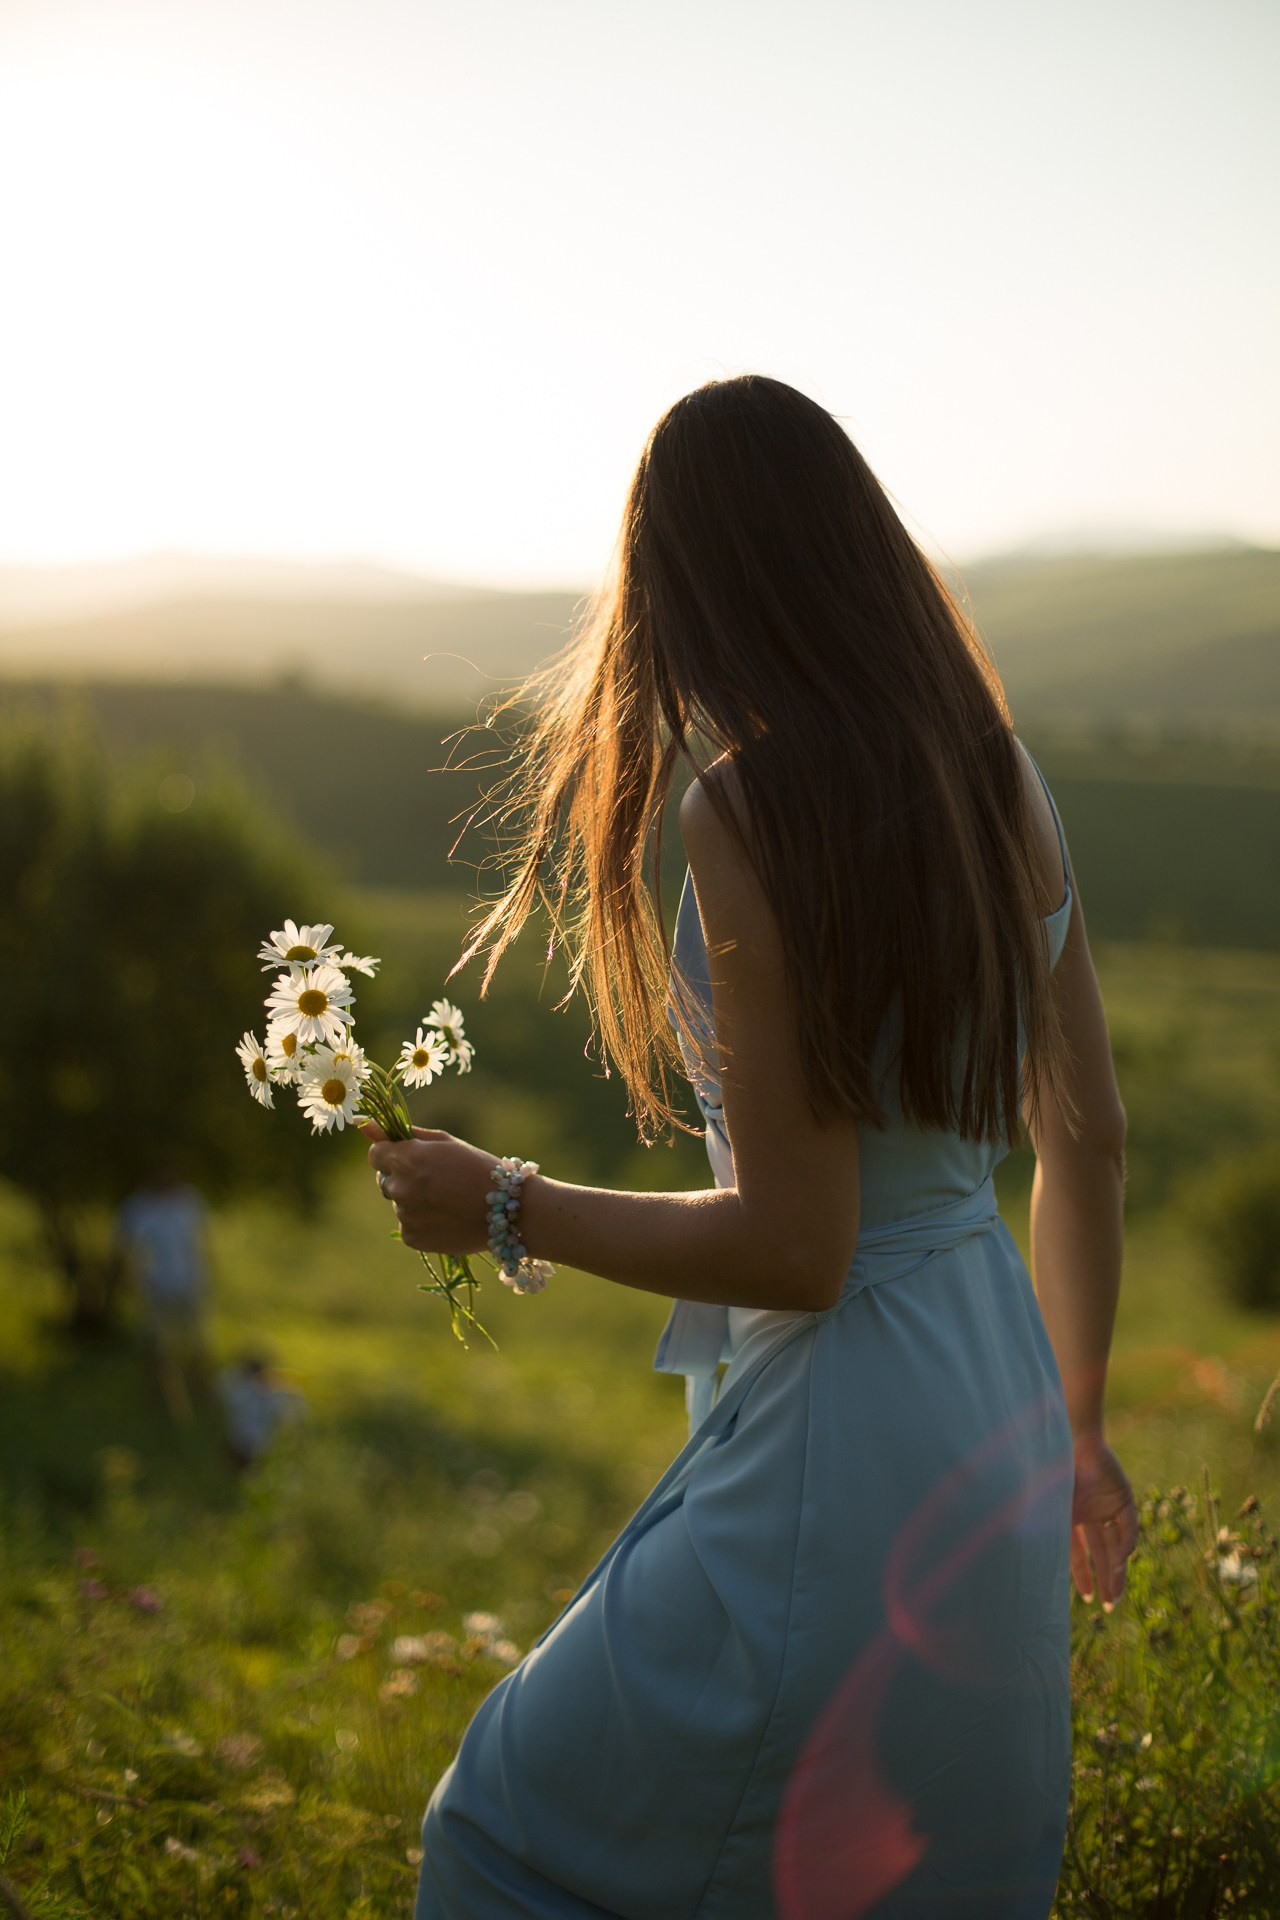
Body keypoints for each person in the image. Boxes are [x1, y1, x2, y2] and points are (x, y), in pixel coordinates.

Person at [366, 374, 1138, 1919]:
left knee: (507, 1836)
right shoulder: (1005, 776)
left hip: (843, 1437)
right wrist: (1077, 1427)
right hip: (996, 1417)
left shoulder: (748, 810)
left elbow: (801, 1245)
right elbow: (1091, 1141)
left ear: (699, 588)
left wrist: (505, 1202)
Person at [115, 1168, 210, 1423]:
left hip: (190, 1283)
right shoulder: (138, 1207)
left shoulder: (188, 1200)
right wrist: (135, 1282)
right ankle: (161, 1399)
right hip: (155, 1288)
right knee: (156, 1345)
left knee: (197, 1342)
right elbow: (128, 1248)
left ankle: (199, 1393)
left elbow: (198, 1241)